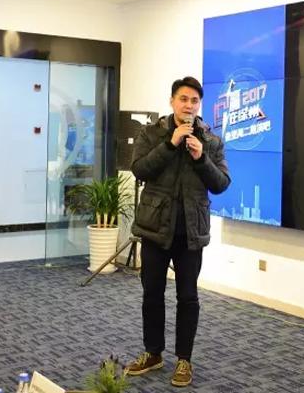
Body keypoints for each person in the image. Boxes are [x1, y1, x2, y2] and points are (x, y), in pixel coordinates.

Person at [126, 76, 230, 387]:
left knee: (188, 297)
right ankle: (153, 353)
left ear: (200, 105)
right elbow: (139, 170)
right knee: (152, 294)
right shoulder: (151, 133)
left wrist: (201, 158)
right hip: (155, 229)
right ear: (172, 101)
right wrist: (170, 144)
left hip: (190, 234)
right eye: (183, 99)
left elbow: (221, 184)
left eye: (194, 101)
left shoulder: (211, 141)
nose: (189, 106)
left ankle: (184, 359)